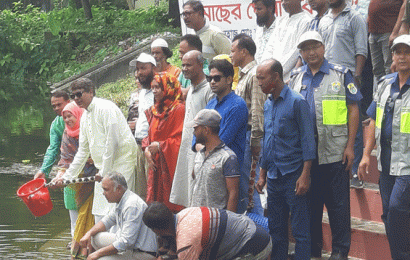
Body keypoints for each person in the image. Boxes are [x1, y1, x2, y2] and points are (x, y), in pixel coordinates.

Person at [290, 31, 362, 260]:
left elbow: (353, 109)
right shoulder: (295, 78)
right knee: (310, 208)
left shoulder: (340, 74)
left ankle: (340, 251)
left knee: (338, 208)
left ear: (323, 47)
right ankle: (314, 251)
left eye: (315, 47)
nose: (311, 52)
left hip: (335, 153)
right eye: (305, 48)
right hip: (307, 158)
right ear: (300, 52)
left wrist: (350, 146)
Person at [54, 78, 138, 224]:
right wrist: (66, 177)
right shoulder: (85, 116)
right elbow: (83, 151)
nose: (76, 99)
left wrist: (104, 172)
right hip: (103, 169)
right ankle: (105, 243)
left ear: (91, 92)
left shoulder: (106, 108)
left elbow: (112, 143)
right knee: (99, 215)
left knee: (118, 211)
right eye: (73, 96)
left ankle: (122, 245)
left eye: (79, 94)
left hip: (122, 163)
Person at [255, 59, 315, 260]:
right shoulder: (268, 104)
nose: (259, 83)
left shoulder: (297, 102)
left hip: (293, 175)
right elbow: (267, 140)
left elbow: (308, 141)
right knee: (276, 230)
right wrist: (262, 174)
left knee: (300, 231)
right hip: (273, 177)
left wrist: (305, 175)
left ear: (275, 77)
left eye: (262, 78)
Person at [358, 35, 410, 260]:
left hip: (407, 162)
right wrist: (366, 154)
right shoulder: (384, 84)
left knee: (397, 209)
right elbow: (373, 121)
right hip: (387, 160)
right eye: (398, 52)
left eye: (407, 52)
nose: (402, 57)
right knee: (389, 214)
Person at [318, 0, 367, 189]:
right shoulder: (323, 21)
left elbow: (361, 50)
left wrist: (357, 76)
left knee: (352, 122)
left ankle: (355, 172)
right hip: (328, 81)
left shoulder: (355, 17)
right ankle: (339, 166)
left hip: (348, 78)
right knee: (333, 122)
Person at [142, 202, 272, 260]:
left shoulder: (186, 242)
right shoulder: (186, 212)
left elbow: (187, 249)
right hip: (255, 232)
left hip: (255, 245)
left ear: (158, 230)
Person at [52, 102, 98, 259]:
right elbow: (65, 160)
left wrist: (92, 160)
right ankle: (77, 248)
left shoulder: (90, 131)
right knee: (75, 218)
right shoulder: (66, 135)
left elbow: (101, 154)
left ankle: (89, 248)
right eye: (64, 117)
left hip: (94, 180)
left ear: (78, 114)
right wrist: (60, 176)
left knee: (91, 215)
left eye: (70, 116)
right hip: (73, 182)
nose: (67, 120)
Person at [170, 50, 214, 207]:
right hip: (188, 147)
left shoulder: (209, 90)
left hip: (201, 149)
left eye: (189, 65)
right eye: (183, 65)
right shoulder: (190, 90)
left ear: (201, 65)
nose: (184, 68)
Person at [80, 172, 157, 260]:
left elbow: (126, 242)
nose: (103, 193)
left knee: (100, 259)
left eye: (106, 190)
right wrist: (88, 234)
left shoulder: (132, 205)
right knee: (94, 237)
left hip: (142, 253)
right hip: (130, 248)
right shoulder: (121, 200)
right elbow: (106, 221)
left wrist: (97, 254)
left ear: (119, 189)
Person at [230, 34, 266, 215]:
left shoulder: (255, 74)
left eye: (233, 51)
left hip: (250, 135)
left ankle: (260, 231)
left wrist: (256, 141)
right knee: (244, 187)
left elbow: (258, 111)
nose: (231, 56)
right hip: (243, 136)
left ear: (244, 52)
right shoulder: (244, 75)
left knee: (249, 187)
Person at [193, 59, 248, 173]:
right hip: (207, 166)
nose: (212, 82)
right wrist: (202, 150)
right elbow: (196, 135)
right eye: (209, 78)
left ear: (229, 79)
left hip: (227, 170)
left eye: (217, 78)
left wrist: (202, 150)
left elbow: (221, 141)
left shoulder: (238, 105)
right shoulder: (211, 103)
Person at [143, 73, 185, 213]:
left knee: (170, 204)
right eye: (152, 87)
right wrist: (147, 150)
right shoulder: (155, 110)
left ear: (169, 88)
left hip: (170, 165)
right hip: (155, 165)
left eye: (158, 87)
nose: (154, 91)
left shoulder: (178, 109)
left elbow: (181, 140)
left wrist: (161, 146)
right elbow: (148, 135)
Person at [188, 109, 239, 212]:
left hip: (216, 221)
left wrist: (228, 222)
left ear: (206, 130)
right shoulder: (199, 154)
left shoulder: (228, 157)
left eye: (196, 129)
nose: (194, 133)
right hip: (196, 216)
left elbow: (233, 194)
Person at [127, 53, 156, 200]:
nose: (139, 73)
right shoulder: (143, 92)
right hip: (139, 145)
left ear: (154, 68)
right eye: (138, 69)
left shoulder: (159, 91)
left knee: (153, 191)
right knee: (140, 191)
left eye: (143, 68)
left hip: (151, 146)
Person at [265, 0, 311, 82]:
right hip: (271, 75)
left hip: (289, 77)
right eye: (282, 0)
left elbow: (296, 52)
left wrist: (277, 70)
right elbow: (270, 46)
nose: (283, 3)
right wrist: (266, 68)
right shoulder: (282, 21)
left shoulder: (306, 21)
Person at [34, 90, 70, 179]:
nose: (56, 108)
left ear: (68, 102)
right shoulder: (56, 125)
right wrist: (43, 170)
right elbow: (53, 148)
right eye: (54, 106)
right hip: (70, 162)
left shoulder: (82, 116)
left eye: (59, 105)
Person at [368, 0, 405, 86]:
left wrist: (395, 31)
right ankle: (379, 95)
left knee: (390, 68)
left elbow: (405, 6)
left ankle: (391, 95)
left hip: (388, 32)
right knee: (377, 70)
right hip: (373, 33)